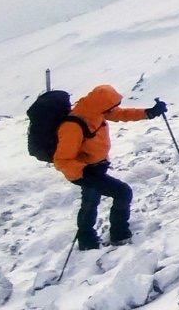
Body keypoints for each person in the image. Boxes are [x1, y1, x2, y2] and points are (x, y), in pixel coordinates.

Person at [51, 84, 166, 250]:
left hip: (96, 167)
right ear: (101, 104)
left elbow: (122, 114)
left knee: (91, 201)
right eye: (110, 106)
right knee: (122, 192)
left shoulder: (96, 112)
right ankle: (119, 235)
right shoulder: (73, 126)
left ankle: (87, 240)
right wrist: (84, 171)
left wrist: (149, 113)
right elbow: (61, 160)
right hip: (85, 172)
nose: (113, 110)